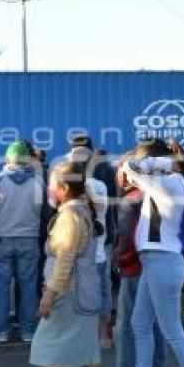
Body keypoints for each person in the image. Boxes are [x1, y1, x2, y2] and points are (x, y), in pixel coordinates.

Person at [110, 138, 184, 367]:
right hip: (156, 262)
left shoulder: (168, 182)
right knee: (140, 324)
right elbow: (131, 168)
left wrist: (155, 160)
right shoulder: (164, 182)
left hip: (162, 262)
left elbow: (130, 166)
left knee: (171, 330)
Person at [29, 161, 105, 367]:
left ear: (62, 187)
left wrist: (48, 295)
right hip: (86, 290)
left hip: (68, 292)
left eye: (51, 185)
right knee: (87, 345)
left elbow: (64, 260)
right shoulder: (84, 209)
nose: (49, 190)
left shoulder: (69, 216)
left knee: (44, 344)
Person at [110, 153, 166, 367]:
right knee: (154, 324)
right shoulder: (162, 196)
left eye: (120, 171)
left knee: (128, 326)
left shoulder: (129, 201)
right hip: (158, 267)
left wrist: (117, 260)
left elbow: (124, 240)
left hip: (134, 269)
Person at [0, 141, 45, 343]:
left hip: (1, 239)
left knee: (0, 286)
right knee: (28, 287)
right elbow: (46, 213)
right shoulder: (38, 182)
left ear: (8, 158)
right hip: (29, 239)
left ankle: (1, 332)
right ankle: (28, 332)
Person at [69, 146, 112, 349]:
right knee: (101, 293)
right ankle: (103, 335)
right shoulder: (100, 186)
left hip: (81, 253)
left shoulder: (71, 188)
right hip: (98, 252)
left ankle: (87, 337)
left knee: (80, 294)